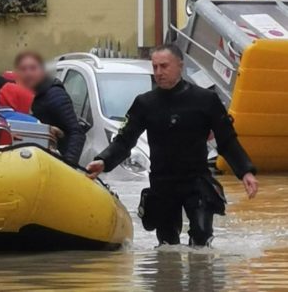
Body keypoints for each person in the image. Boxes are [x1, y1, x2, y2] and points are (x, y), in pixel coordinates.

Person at [86, 44, 259, 247]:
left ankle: (203, 276)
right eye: (155, 67)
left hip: (196, 181)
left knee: (202, 241)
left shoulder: (206, 100)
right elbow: (125, 140)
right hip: (163, 183)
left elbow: (227, 140)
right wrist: (103, 161)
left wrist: (245, 172)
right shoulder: (145, 104)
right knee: (167, 246)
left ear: (180, 66)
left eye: (164, 66)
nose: (159, 72)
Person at [15, 51, 85, 165]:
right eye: (23, 69)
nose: (28, 73)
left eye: (33, 68)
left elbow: (77, 133)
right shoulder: (22, 94)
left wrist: (68, 164)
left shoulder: (55, 94)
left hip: (54, 163)